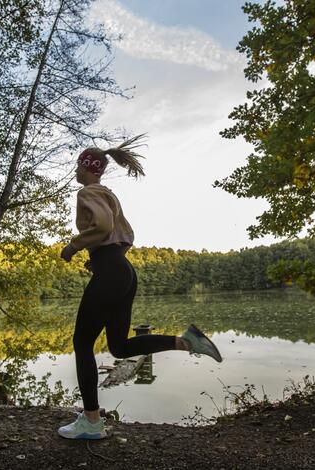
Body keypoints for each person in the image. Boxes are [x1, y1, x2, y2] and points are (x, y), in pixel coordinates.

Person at [57, 135, 223, 440]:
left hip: (111, 273)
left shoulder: (88, 192)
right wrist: (103, 259)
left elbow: (104, 227)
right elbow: (121, 235)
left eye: (78, 165)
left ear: (86, 166)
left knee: (82, 343)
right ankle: (187, 341)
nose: (75, 171)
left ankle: (91, 422)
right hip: (123, 271)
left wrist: (74, 247)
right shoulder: (109, 194)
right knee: (119, 347)